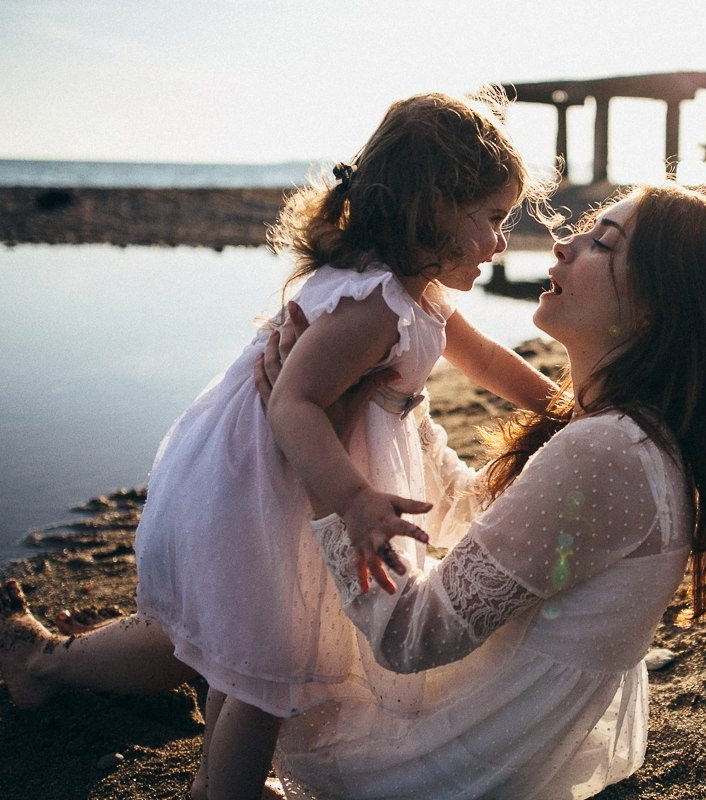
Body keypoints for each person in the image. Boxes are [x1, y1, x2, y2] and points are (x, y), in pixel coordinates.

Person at [0, 182, 706, 800]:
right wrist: (388, 407)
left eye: (602, 244)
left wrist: (318, 447)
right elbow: (476, 518)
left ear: (658, 308)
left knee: (252, 619)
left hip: (455, 756)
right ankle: (50, 662)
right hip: (496, 721)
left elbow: (410, 634)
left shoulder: (611, 454)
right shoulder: (620, 437)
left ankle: (52, 668)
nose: (560, 247)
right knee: (244, 616)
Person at [2, 89, 559, 800]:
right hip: (265, 487)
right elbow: (291, 405)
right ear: (433, 207)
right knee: (271, 662)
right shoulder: (371, 306)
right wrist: (355, 499)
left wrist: (560, 406)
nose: (502, 241)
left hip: (291, 483)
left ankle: (201, 767)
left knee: (250, 648)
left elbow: (482, 359)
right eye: (492, 218)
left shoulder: (416, 295)